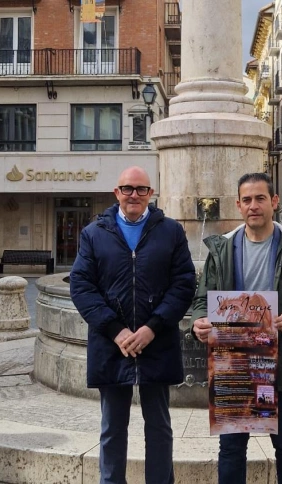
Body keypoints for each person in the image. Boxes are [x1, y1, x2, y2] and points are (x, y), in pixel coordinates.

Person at [190, 172, 282, 484]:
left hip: (280, 363)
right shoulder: (222, 250)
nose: (254, 206)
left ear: (274, 202)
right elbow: (202, 300)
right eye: (248, 200)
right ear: (238, 205)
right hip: (234, 363)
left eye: (261, 198)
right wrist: (199, 321)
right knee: (231, 448)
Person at [70, 166, 195, 484]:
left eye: (141, 190)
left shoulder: (171, 231)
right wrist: (117, 330)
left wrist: (153, 326)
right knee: (112, 427)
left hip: (157, 341)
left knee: (159, 426)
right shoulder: (94, 234)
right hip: (112, 345)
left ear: (151, 194)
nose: (134, 195)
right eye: (127, 189)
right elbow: (82, 285)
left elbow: (183, 284)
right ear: (117, 193)